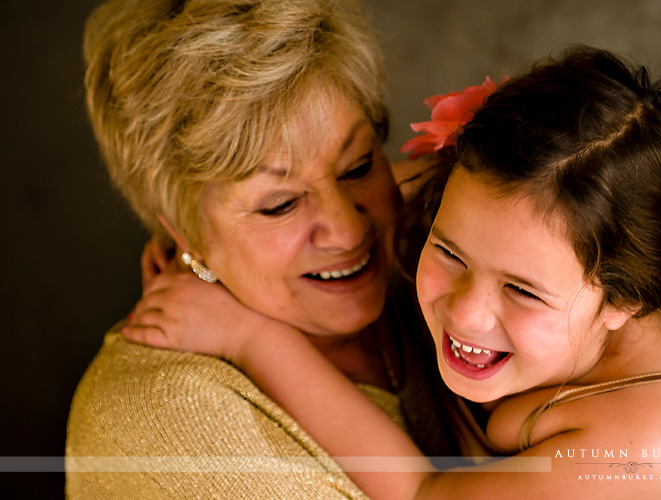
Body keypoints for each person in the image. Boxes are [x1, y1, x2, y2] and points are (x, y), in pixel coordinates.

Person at [126, 46, 661, 499]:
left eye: (521, 290)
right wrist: (215, 227)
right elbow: (371, 201)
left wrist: (250, 338)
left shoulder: (646, 446)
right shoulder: (512, 216)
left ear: (622, 302)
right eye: (448, 252)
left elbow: (426, 494)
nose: (465, 311)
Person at [65, 0, 458, 498]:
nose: (346, 230)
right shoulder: (165, 418)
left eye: (358, 167)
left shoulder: (441, 252)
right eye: (279, 205)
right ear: (183, 233)